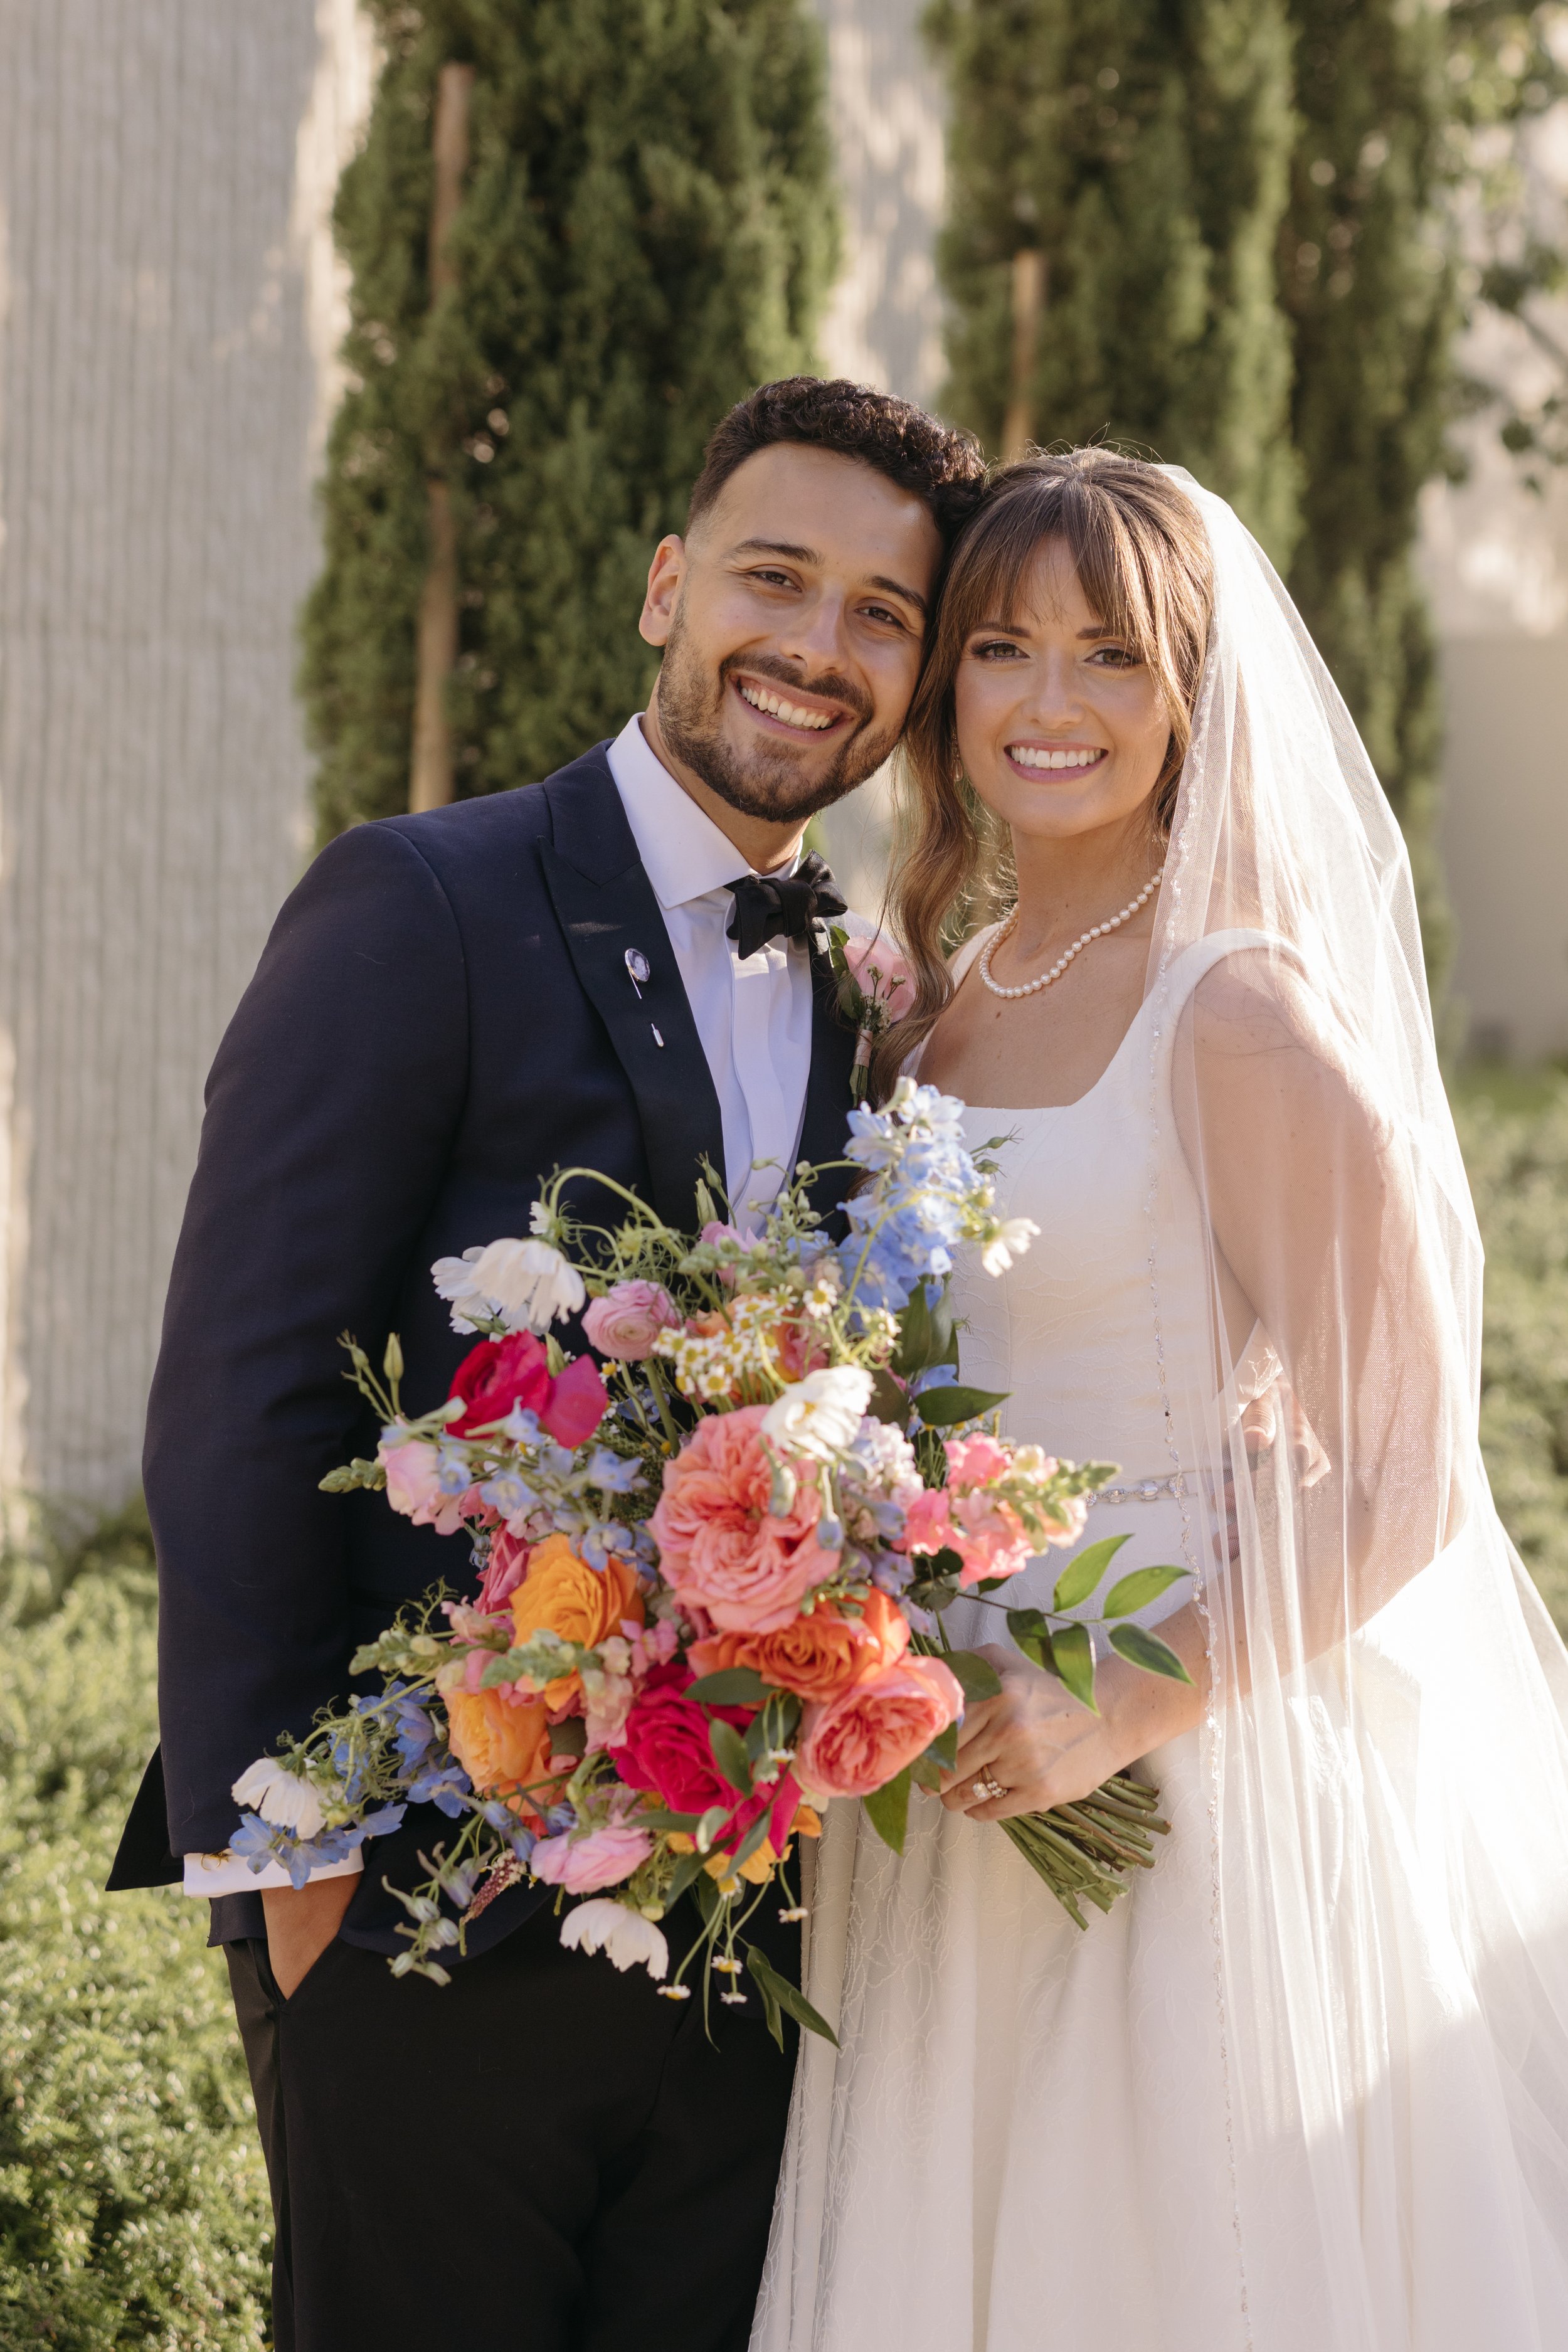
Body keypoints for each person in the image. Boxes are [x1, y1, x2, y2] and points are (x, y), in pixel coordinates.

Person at [107, 375, 985, 2352]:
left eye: (880, 615)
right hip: (428, 1910)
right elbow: (242, 1396)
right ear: (667, 587)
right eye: (775, 577)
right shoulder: (421, 900)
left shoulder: (873, 986)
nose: (815, 646)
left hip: (761, 1931)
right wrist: (291, 1883)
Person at [753, 450, 1568, 2351]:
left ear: (1188, 694)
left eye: (1109, 657)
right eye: (1002, 651)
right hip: (940, 1764)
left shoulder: (1236, 1012)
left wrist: (1125, 1704)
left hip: (1177, 1771)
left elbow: (1399, 1472)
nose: (1047, 705)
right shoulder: (930, 1012)